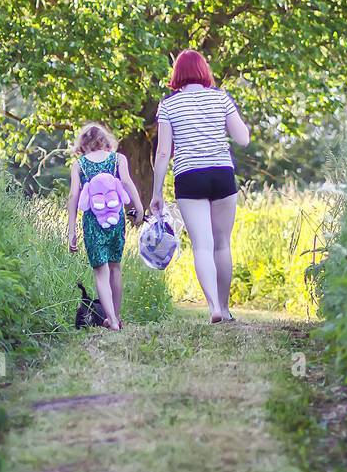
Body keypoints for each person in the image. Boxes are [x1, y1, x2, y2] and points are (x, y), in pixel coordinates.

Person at [150, 49, 250, 323]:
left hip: (189, 176)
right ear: (204, 71)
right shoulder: (221, 98)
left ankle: (214, 307)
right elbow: (243, 139)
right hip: (221, 173)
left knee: (202, 246)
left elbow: (162, 153)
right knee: (222, 245)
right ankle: (226, 308)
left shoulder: (169, 106)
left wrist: (157, 193)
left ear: (177, 75)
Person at [67, 122, 143, 330]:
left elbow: (74, 195)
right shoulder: (118, 159)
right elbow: (127, 182)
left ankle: (112, 320)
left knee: (101, 271)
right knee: (115, 267)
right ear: (105, 141)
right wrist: (139, 206)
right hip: (116, 221)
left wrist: (71, 229)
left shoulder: (79, 165)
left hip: (93, 222)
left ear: (82, 145)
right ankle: (115, 316)